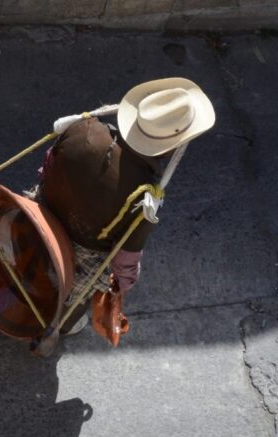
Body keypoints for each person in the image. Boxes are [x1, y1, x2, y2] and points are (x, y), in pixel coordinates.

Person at [35, 77, 215, 335]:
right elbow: (126, 262)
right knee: (91, 278)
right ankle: (67, 324)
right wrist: (121, 286)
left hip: (42, 208)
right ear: (170, 146)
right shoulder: (143, 196)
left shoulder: (84, 128)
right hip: (80, 247)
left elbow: (48, 167)